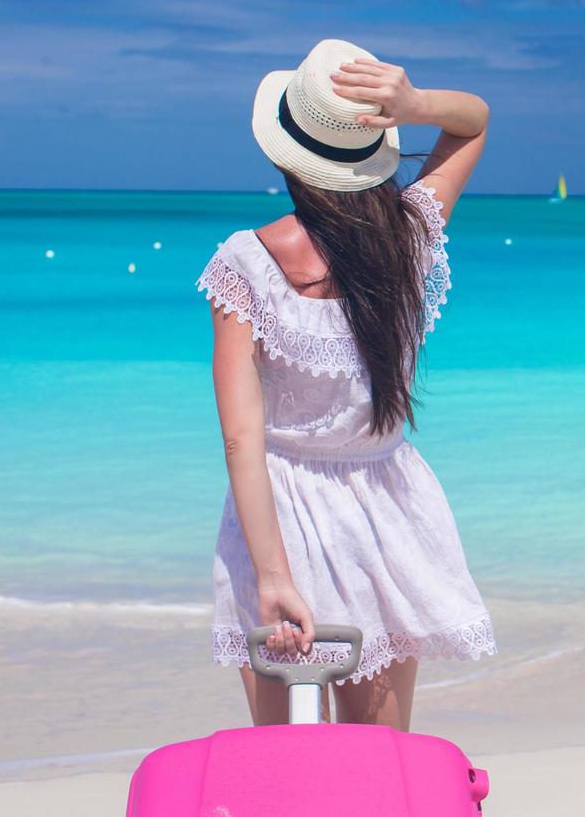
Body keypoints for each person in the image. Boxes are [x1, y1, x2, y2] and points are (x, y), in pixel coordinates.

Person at [196, 38, 496, 729]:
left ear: (283, 152)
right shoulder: (412, 234)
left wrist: (273, 578)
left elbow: (242, 439)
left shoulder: (247, 261)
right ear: (375, 147)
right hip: (386, 509)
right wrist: (417, 104)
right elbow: (473, 120)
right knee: (376, 764)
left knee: (283, 766)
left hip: (279, 516)